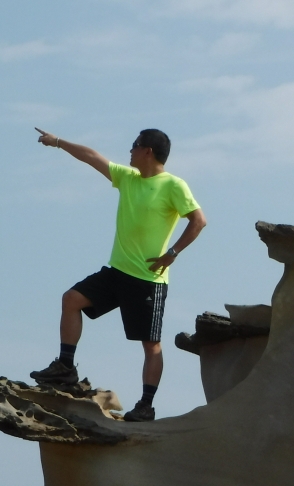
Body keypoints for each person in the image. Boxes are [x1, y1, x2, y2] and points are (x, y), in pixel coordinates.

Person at [30, 127, 207, 422]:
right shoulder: (128, 178)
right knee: (71, 299)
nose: (130, 150)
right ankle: (65, 367)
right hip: (117, 272)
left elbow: (198, 221)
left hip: (148, 279)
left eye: (134, 145)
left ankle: (146, 405)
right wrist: (58, 142)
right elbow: (91, 157)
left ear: (147, 151)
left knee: (151, 345)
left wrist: (172, 254)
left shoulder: (174, 185)